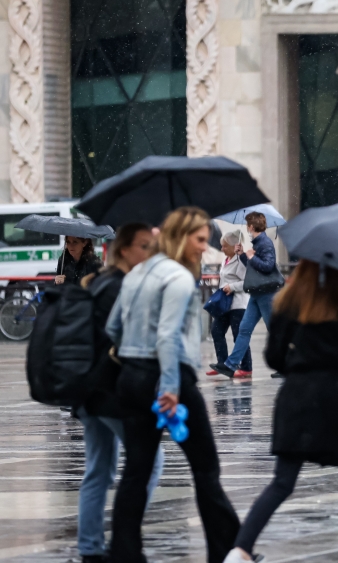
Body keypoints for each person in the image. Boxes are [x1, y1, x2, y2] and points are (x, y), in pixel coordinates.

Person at [222, 260, 338, 563]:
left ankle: (240, 550)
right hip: (335, 400)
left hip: (295, 397)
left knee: (282, 482)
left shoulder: (287, 304)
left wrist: (299, 364)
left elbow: (273, 357)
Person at [107, 207, 240, 562]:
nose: (204, 248)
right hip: (170, 377)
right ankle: (228, 549)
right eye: (199, 240)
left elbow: (112, 329)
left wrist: (133, 357)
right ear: (180, 238)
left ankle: (124, 553)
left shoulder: (137, 273)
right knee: (206, 469)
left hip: (131, 376)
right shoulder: (179, 278)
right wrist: (168, 387)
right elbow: (167, 336)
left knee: (136, 470)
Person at [75, 223, 165, 563]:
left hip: (88, 391)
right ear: (124, 249)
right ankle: (123, 539)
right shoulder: (120, 287)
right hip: (112, 391)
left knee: (98, 469)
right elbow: (129, 341)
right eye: (143, 246)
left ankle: (90, 548)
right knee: (151, 461)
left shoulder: (99, 283)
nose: (148, 253)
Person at [214, 212, 282, 378]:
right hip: (257, 293)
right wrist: (242, 255)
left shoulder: (264, 242)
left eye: (247, 225)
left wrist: (251, 256)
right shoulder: (258, 243)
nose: (246, 228)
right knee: (244, 329)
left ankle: (286, 365)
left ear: (251, 226)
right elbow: (254, 268)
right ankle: (231, 365)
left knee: (273, 329)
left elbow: (268, 266)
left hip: (266, 293)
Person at [207, 231, 251, 377]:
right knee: (216, 331)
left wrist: (232, 287)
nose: (222, 249)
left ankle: (246, 367)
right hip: (224, 304)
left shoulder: (240, 261)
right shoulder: (225, 260)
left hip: (238, 304)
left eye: (224, 246)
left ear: (234, 246)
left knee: (238, 335)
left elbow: (247, 282)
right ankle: (223, 363)